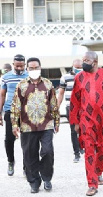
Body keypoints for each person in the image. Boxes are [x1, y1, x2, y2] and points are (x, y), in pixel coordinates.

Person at [69, 51, 103, 196]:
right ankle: (92, 184)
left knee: (102, 151)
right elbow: (75, 100)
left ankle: (98, 172)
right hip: (86, 120)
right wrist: (75, 121)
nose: (83, 62)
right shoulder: (79, 77)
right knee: (88, 151)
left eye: (86, 60)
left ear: (95, 62)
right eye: (82, 59)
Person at [11, 57, 60, 193]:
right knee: (29, 154)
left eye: (36, 68)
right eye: (31, 68)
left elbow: (54, 104)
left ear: (40, 68)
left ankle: (47, 178)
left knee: (47, 151)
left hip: (46, 124)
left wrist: (56, 121)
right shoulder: (21, 85)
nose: (34, 70)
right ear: (27, 69)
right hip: (27, 126)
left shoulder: (48, 84)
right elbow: (15, 106)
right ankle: (34, 181)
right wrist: (14, 124)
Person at [0, 54, 28, 176]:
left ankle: (26, 166)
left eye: (22, 66)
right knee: (9, 139)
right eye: (17, 66)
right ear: (13, 64)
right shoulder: (6, 77)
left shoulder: (30, 76)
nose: (19, 68)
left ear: (25, 65)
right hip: (10, 111)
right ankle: (10, 161)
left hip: (26, 112)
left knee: (27, 140)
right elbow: (2, 95)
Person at [57, 59, 84, 163]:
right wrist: (57, 108)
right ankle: (76, 153)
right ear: (72, 66)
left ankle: (82, 146)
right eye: (76, 68)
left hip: (84, 107)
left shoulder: (86, 76)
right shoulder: (65, 77)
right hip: (71, 107)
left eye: (80, 68)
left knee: (83, 128)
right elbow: (61, 93)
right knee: (73, 130)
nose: (78, 70)